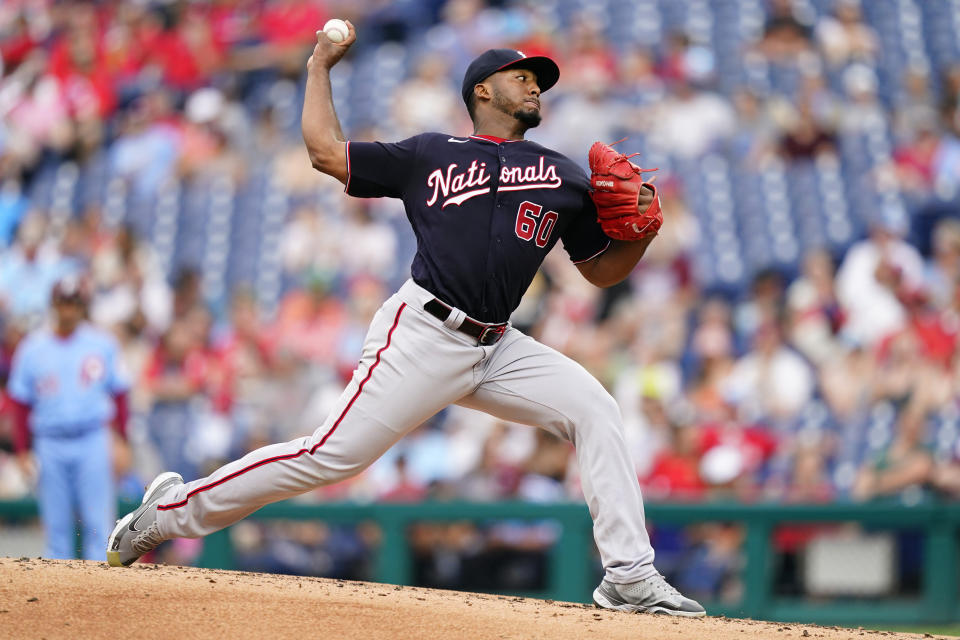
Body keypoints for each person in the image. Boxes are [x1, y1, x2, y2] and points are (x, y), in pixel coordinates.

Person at [107, 24, 705, 617]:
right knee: (328, 456)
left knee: (596, 409)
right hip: (423, 333)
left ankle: (629, 576)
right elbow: (324, 152)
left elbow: (600, 273)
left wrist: (643, 232)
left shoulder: (563, 173)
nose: (534, 88)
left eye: (539, 81)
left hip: (499, 346)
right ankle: (169, 512)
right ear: (482, 92)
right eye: (520, 77)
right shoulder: (429, 153)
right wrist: (318, 66)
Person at [9, 275, 131, 560]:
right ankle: (57, 602)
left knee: (98, 527)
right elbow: (20, 403)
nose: (68, 309)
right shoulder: (33, 347)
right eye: (63, 302)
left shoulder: (101, 343)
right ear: (54, 304)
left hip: (92, 439)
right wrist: (22, 449)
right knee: (56, 530)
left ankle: (100, 597)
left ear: (81, 305)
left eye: (74, 302)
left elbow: (121, 393)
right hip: (50, 442)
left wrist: (123, 440)